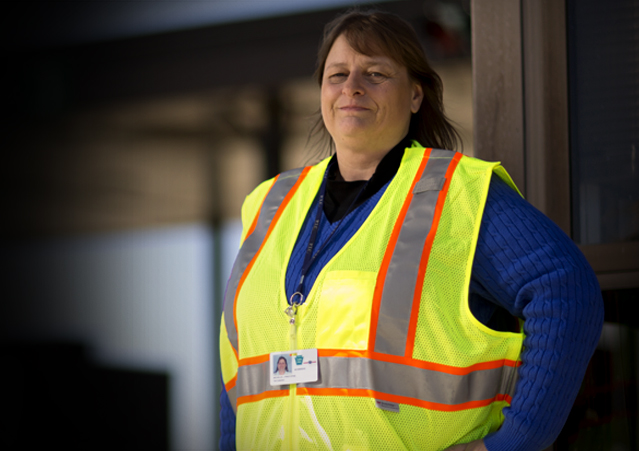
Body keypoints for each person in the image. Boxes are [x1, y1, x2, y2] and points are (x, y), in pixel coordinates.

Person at [217, 9, 604, 451]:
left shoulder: (456, 194)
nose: (352, 87)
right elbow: (240, 374)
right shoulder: (268, 205)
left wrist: (515, 443)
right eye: (337, 74)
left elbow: (565, 289)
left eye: (376, 73)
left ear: (416, 95)